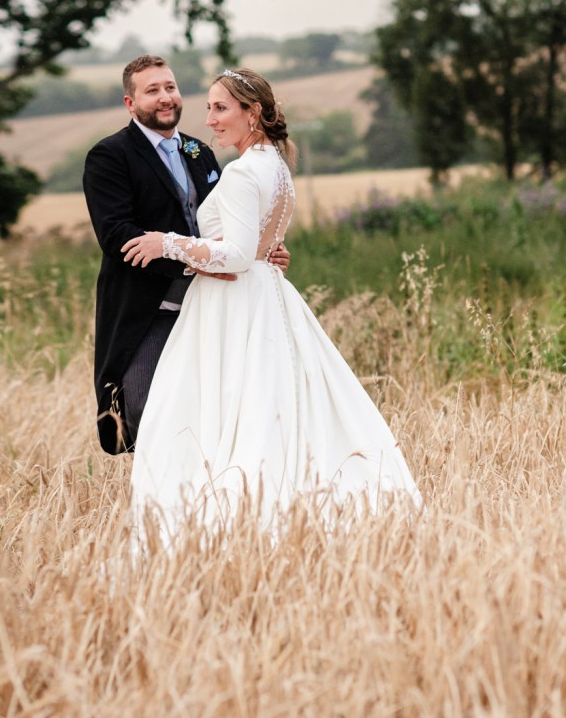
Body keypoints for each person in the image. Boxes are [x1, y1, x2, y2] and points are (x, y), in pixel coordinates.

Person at [122, 67, 422, 535]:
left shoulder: (243, 172)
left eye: (221, 108)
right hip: (266, 294)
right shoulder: (277, 166)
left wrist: (168, 243)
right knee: (269, 403)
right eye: (209, 109)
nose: (212, 120)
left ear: (253, 112)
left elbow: (238, 255)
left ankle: (236, 519)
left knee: (224, 410)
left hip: (234, 302)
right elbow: (256, 247)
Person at [83, 55, 289, 454]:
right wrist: (194, 261)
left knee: (213, 409)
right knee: (143, 408)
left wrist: (264, 251)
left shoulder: (200, 152)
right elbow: (117, 236)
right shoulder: (110, 156)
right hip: (150, 309)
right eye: (152, 90)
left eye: (170, 87)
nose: (165, 98)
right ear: (130, 103)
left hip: (213, 307)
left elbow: (230, 227)